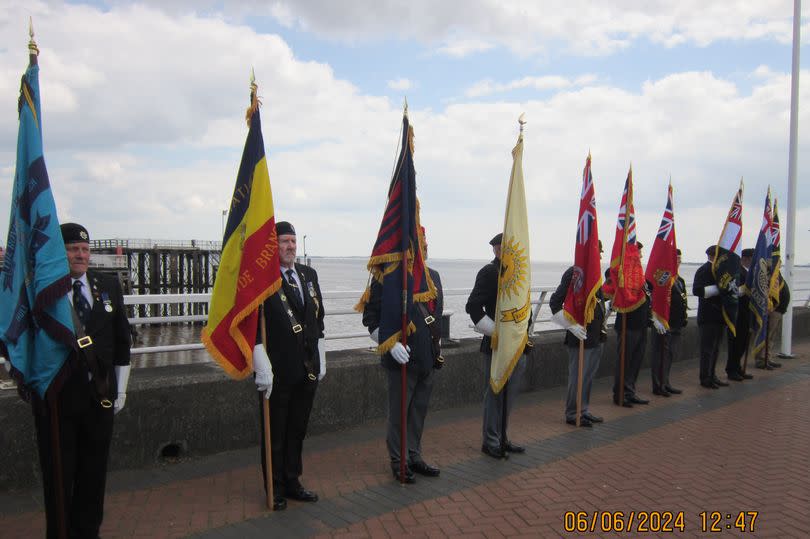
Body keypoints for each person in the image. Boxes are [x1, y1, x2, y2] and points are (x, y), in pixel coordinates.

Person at [26, 223, 131, 538]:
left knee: (93, 471)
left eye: (85, 249)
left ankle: (88, 531)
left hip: (99, 397)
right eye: (73, 249)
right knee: (59, 474)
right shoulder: (45, 291)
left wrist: (121, 388)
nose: (80, 255)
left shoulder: (108, 285)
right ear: (61, 253)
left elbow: (122, 340)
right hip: (58, 398)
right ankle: (59, 532)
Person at [253, 221, 325, 510]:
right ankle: (275, 487)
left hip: (306, 367)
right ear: (273, 246)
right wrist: (259, 359)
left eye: (293, 241)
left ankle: (293, 481)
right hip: (277, 369)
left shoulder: (308, 274)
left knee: (297, 429)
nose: (290, 246)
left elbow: (318, 317)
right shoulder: (263, 280)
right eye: (284, 241)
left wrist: (322, 352)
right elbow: (251, 325)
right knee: (276, 431)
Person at [362, 237, 444, 483]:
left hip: (427, 357)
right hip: (401, 360)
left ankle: (414, 455)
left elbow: (436, 314)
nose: (422, 250)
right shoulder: (387, 277)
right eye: (417, 245)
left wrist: (436, 345)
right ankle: (398, 461)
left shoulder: (434, 276)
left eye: (425, 245)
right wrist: (390, 345)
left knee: (418, 411)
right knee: (399, 414)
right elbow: (371, 319)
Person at [465, 232, 528, 459]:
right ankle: (490, 441)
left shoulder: (520, 273)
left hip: (519, 346)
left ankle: (502, 437)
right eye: (503, 247)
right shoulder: (489, 273)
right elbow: (473, 307)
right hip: (497, 345)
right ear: (496, 249)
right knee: (494, 394)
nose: (506, 251)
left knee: (509, 396)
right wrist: (497, 333)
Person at [549, 257, 607, 427]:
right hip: (579, 336)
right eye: (596, 252)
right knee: (578, 378)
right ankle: (573, 413)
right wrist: (571, 326)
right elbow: (555, 303)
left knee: (588, 377)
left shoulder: (595, 275)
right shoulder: (574, 273)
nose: (599, 257)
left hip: (596, 335)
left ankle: (584, 410)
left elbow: (599, 303)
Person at [611, 242, 651, 407]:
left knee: (636, 361)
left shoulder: (641, 277)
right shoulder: (622, 276)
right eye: (638, 253)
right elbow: (613, 291)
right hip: (628, 326)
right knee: (625, 361)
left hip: (641, 325)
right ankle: (620, 394)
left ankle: (630, 391)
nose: (640, 256)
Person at [692, 245, 731, 389]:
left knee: (716, 349)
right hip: (708, 316)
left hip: (720, 316)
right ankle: (705, 378)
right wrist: (718, 289)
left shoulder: (720, 271)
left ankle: (712, 374)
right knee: (707, 349)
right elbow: (697, 290)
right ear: (712, 256)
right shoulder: (704, 270)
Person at [650, 248, 687, 396]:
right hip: (664, 323)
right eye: (676, 259)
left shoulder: (680, 280)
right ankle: (658, 385)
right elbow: (656, 299)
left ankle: (666, 382)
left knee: (669, 355)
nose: (678, 262)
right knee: (660, 355)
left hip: (676, 323)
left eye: (680, 259)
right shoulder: (663, 278)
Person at [726, 248, 754, 381]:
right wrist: (746, 288)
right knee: (736, 344)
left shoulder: (750, 273)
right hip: (737, 314)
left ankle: (738, 368)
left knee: (743, 343)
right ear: (745, 259)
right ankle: (731, 369)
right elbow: (733, 291)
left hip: (747, 312)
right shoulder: (737, 272)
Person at [756, 272, 790, 369]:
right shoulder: (770, 274)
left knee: (771, 337)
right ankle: (761, 359)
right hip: (773, 310)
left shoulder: (776, 274)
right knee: (766, 335)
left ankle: (768, 357)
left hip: (779, 310)